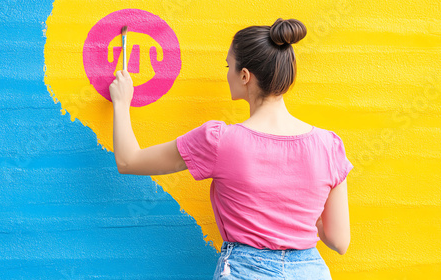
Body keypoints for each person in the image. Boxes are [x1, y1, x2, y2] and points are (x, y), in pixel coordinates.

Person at [110, 17, 353, 280]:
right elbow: (339, 241)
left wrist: (122, 103)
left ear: (245, 76)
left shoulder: (219, 140)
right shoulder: (329, 145)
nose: (227, 73)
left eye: (229, 66)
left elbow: (128, 161)